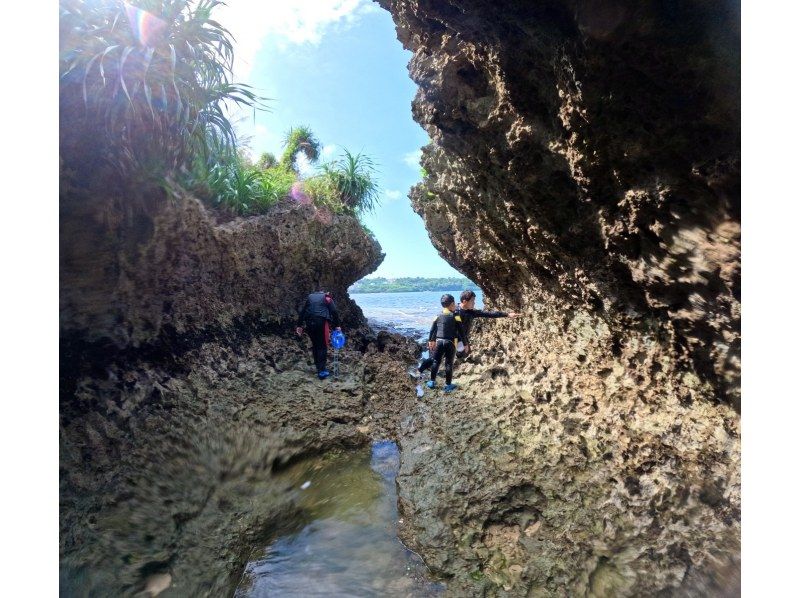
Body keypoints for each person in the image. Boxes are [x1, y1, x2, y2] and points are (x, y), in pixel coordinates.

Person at [414, 289, 520, 378]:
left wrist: (507, 314)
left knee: (466, 351)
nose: (474, 303)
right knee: (434, 359)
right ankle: (419, 371)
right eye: (472, 301)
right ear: (464, 301)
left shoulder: (472, 312)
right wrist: (431, 340)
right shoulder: (453, 312)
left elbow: (489, 314)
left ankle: (451, 361)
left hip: (460, 340)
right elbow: (438, 325)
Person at [424, 294, 466, 393]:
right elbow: (461, 331)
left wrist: (431, 341)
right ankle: (448, 385)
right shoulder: (456, 316)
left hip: (438, 342)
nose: (455, 305)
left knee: (436, 362)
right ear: (452, 304)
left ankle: (432, 382)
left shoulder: (437, 315)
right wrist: (465, 343)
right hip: (450, 343)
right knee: (448, 364)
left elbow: (432, 329)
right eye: (454, 303)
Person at [296, 290, 341, 379]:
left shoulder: (310, 298)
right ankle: (322, 371)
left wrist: (299, 326)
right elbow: (334, 311)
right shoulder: (327, 297)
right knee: (322, 346)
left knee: (315, 344)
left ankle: (318, 367)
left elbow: (302, 312)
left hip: (309, 323)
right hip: (321, 322)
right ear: (324, 293)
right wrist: (337, 325)